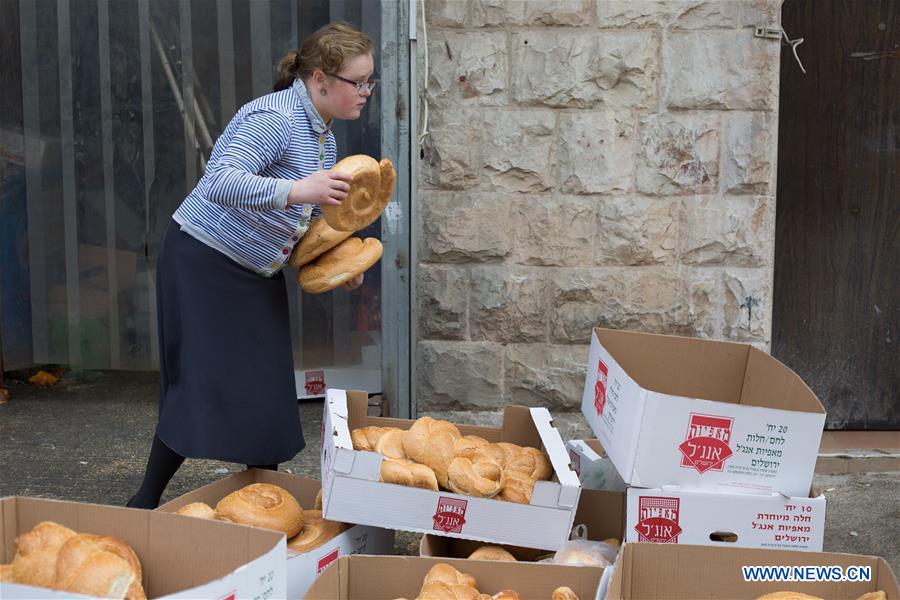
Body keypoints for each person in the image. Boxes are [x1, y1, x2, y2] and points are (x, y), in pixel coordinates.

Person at [127, 22, 377, 509]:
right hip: (204, 261)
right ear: (321, 80)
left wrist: (342, 263)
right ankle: (144, 502)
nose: (366, 92)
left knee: (267, 390)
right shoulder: (273, 117)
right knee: (203, 382)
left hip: (254, 270)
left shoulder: (324, 139)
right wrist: (298, 189)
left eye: (371, 81)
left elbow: (300, 222)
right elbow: (219, 180)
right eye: (358, 82)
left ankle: (266, 507)